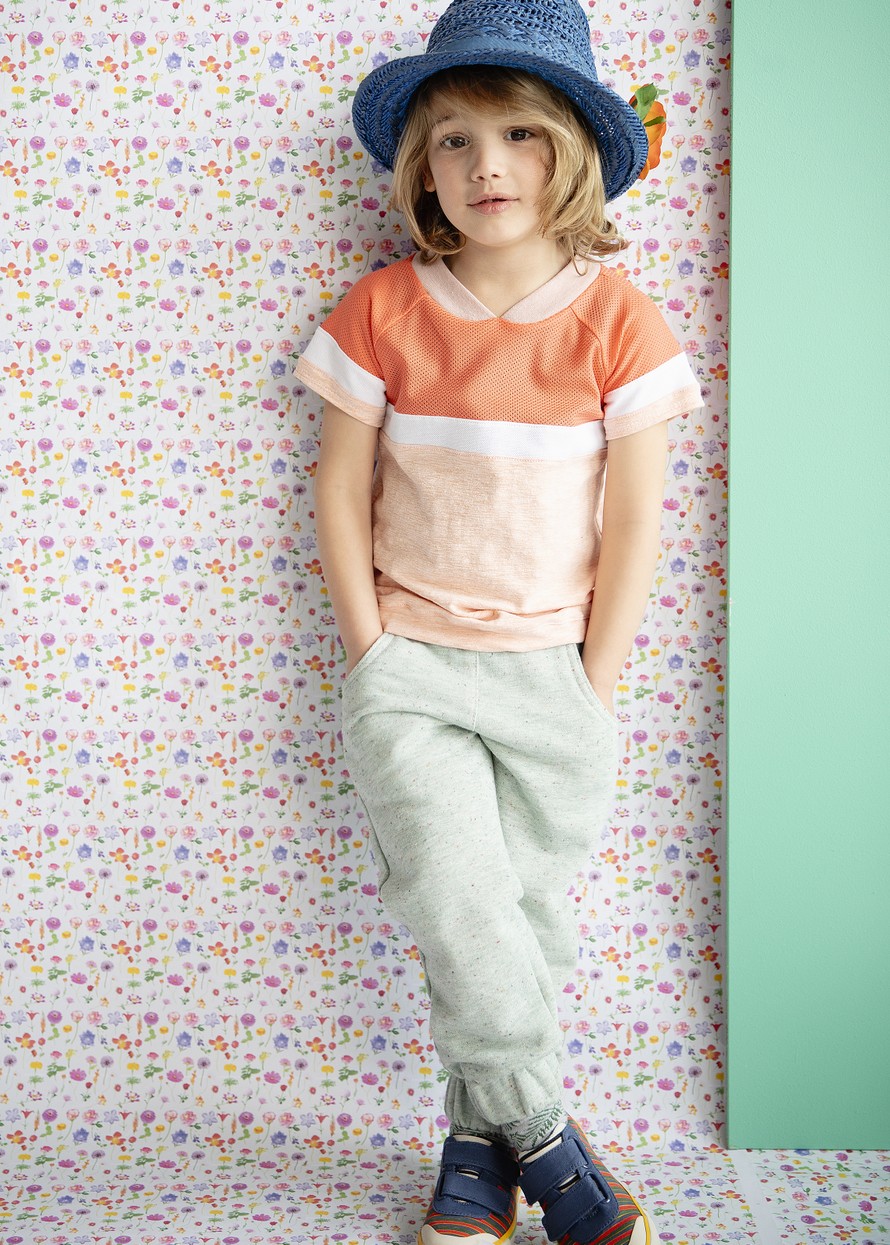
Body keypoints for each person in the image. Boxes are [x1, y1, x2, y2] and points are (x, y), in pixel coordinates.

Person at [295, 1, 702, 1241]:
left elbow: (632, 522)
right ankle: (549, 1143)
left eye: (519, 133)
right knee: (461, 907)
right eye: (455, 139)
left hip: (551, 677)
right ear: (421, 166)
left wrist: (592, 683)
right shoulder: (382, 310)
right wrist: (371, 654)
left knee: (517, 931)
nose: (486, 165)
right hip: (411, 669)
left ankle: (475, 1150)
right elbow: (337, 487)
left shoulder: (619, 321)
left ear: (568, 151)